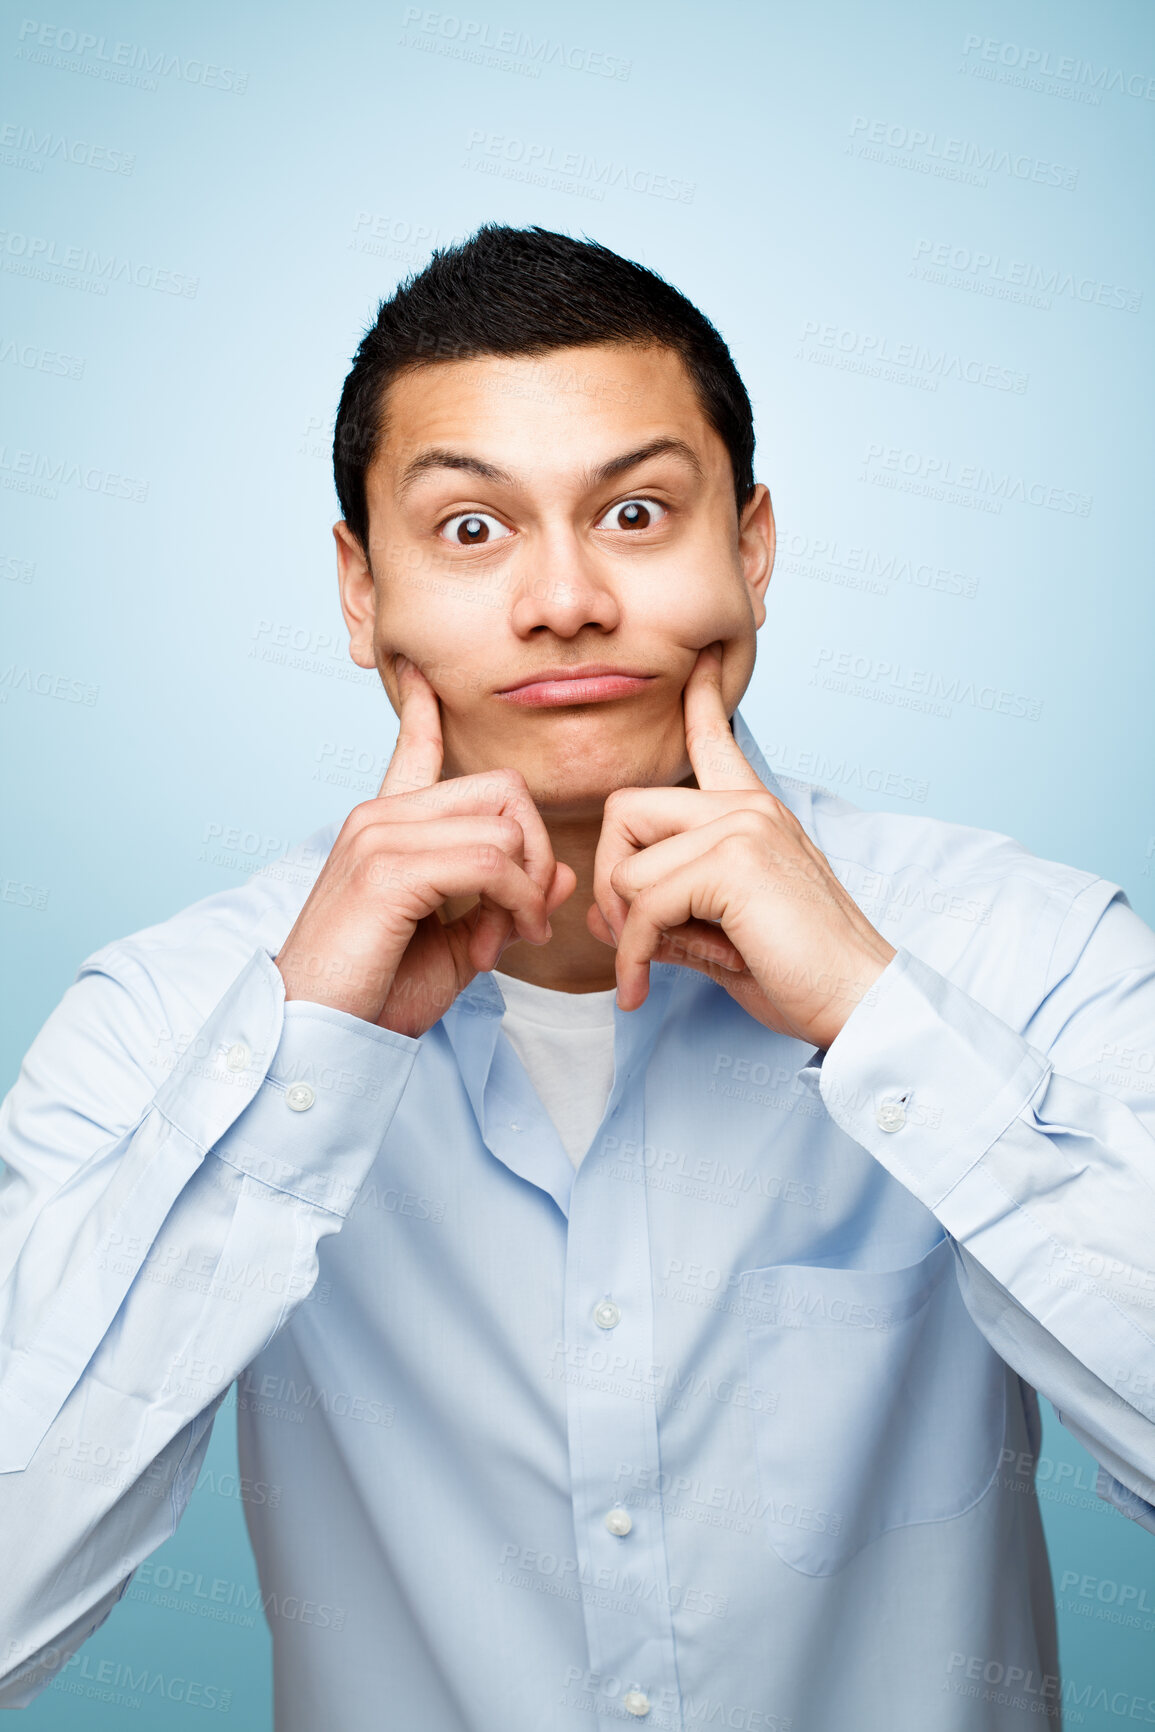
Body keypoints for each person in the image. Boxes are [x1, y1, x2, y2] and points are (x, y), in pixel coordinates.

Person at [1, 225, 1153, 1732]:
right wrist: (304, 1061)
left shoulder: (1030, 951)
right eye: (472, 530)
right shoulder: (170, 1015)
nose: (563, 600)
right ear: (362, 592)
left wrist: (881, 1020)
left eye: (635, 511)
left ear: (750, 548)